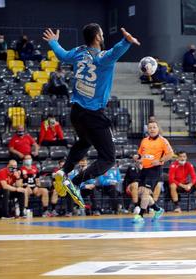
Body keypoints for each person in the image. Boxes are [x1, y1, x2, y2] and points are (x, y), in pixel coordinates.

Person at [43, 23, 140, 208]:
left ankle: (64, 172)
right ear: (97, 37)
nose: (103, 36)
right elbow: (115, 52)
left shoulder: (79, 52)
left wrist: (54, 43)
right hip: (93, 114)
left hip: (76, 112)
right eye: (102, 33)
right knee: (108, 159)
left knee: (84, 142)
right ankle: (76, 182)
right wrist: (126, 41)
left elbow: (62, 55)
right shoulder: (102, 58)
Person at [132, 120, 173, 223]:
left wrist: (160, 161)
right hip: (144, 170)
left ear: (158, 129)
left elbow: (170, 154)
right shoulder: (144, 141)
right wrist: (137, 158)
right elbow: (141, 155)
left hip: (155, 170)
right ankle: (157, 209)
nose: (152, 129)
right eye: (150, 128)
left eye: (154, 127)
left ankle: (140, 216)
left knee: (145, 192)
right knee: (142, 192)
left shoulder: (163, 141)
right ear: (148, 130)